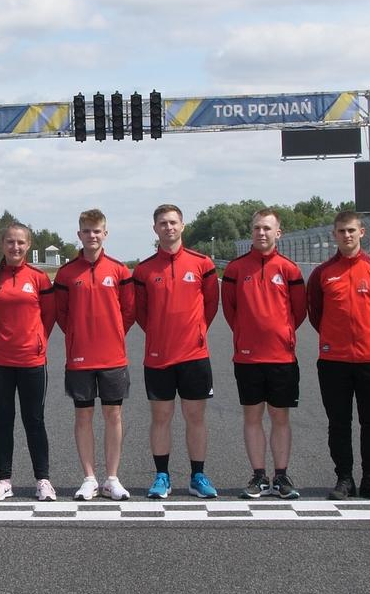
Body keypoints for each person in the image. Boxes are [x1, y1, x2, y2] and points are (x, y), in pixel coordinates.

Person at [307, 210, 370, 499]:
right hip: (334, 360)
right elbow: (316, 314)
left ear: (362, 232)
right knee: (339, 423)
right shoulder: (322, 273)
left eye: (351, 230)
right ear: (334, 235)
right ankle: (344, 478)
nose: (346, 235)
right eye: (341, 231)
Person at [132, 203, 221, 499]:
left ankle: (198, 476)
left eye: (173, 222)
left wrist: (196, 332)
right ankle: (162, 476)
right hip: (158, 356)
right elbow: (141, 312)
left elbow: (210, 305)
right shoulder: (144, 269)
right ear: (155, 228)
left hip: (194, 355)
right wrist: (160, 334)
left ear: (182, 226)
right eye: (163, 223)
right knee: (161, 417)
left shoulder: (202, 263)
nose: (168, 227)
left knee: (195, 417)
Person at [220, 208, 307, 499]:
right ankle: (258, 476)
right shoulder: (235, 269)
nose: (261, 233)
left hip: (282, 357)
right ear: (251, 232)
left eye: (267, 228)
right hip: (248, 357)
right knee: (252, 417)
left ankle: (281, 476)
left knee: (280, 417)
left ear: (278, 233)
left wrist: (281, 334)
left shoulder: (289, 269)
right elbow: (230, 310)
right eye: (257, 228)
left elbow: (298, 311)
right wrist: (246, 334)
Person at [52, 209, 136, 501]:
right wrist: (79, 334)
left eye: (97, 231)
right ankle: (89, 478)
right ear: (79, 234)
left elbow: (129, 311)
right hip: (80, 357)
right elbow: (61, 314)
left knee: (113, 415)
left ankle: (112, 478)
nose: (92, 236)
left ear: (105, 234)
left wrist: (113, 333)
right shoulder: (66, 273)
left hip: (113, 356)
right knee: (83, 416)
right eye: (87, 231)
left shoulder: (120, 270)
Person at [0, 224, 56, 500]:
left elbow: (49, 316)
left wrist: (37, 340)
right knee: (2, 420)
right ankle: (3, 480)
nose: (15, 247)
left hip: (31, 360)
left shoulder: (39, 278)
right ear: (2, 244)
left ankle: (43, 480)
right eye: (10, 242)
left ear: (28, 245)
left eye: (21, 242)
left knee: (34, 420)